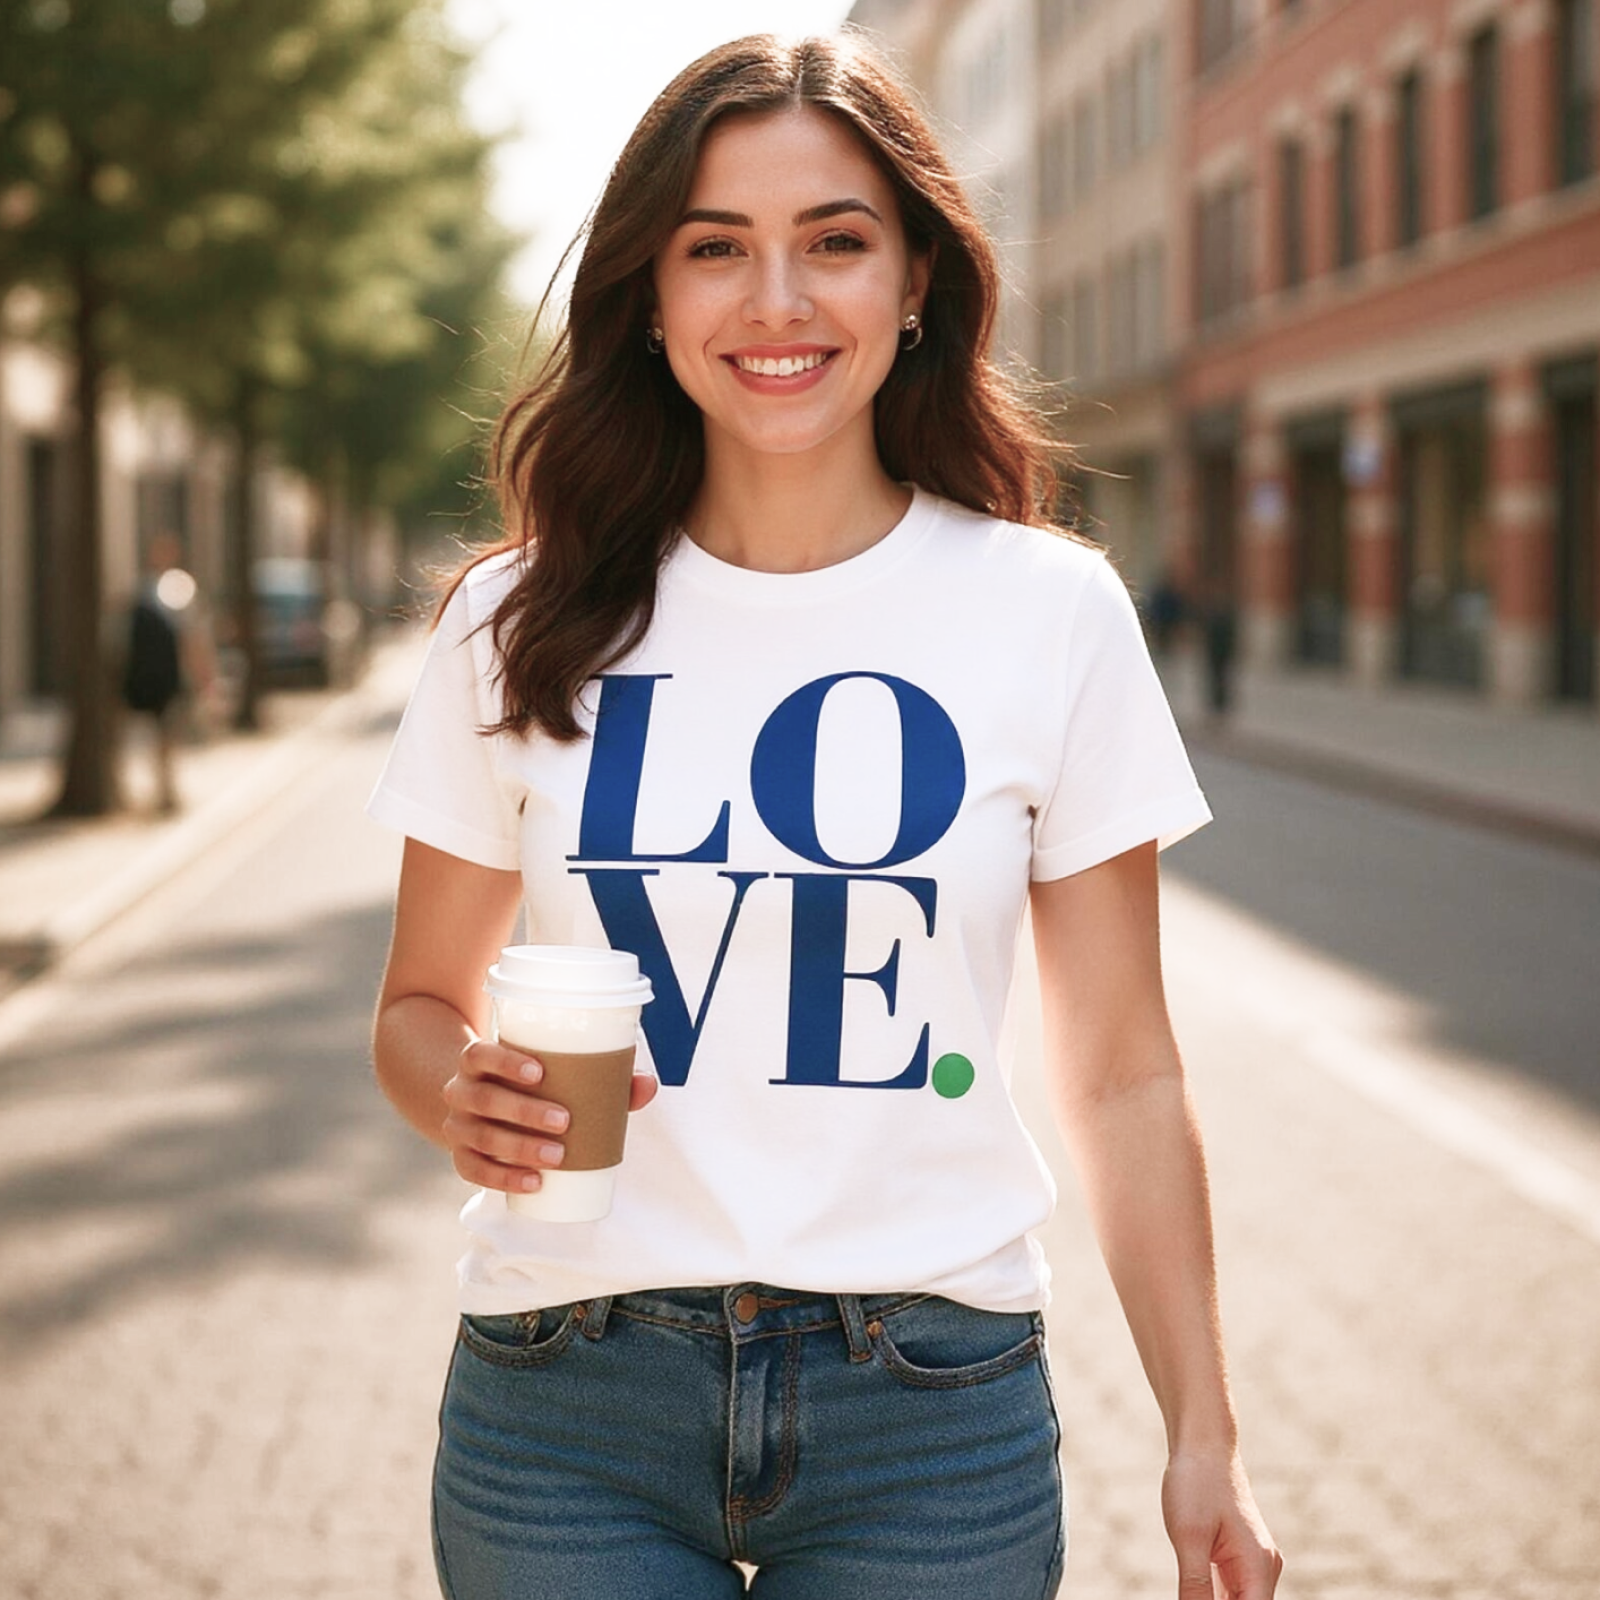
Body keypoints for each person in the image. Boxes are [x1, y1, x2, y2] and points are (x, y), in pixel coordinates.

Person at [368, 32, 1281, 1600]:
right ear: (649, 296)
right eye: (716, 248)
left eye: (835, 242)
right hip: (567, 1403)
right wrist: (459, 1090)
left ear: (916, 280)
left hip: (931, 1418)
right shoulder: (513, 620)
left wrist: (1207, 1430)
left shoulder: (1050, 613)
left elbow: (1124, 1070)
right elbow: (414, 1009)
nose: (776, 301)